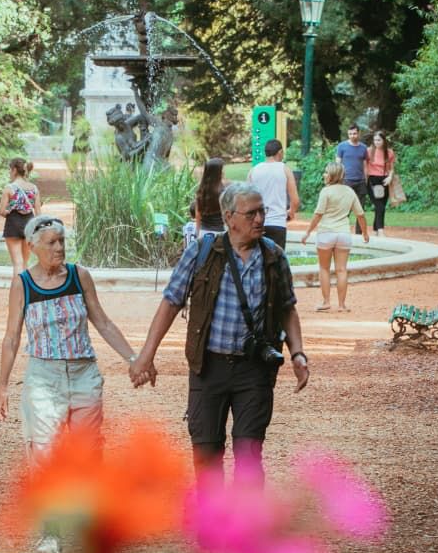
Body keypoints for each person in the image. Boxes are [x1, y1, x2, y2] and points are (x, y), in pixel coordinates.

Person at [131, 182, 310, 484]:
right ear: (229, 217)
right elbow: (171, 302)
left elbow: (287, 308)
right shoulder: (202, 252)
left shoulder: (274, 256)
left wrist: (298, 354)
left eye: (262, 211)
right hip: (208, 367)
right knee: (206, 453)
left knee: (249, 452)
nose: (260, 219)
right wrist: (146, 356)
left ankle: (245, 515)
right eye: (251, 213)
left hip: (254, 370)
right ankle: (212, 515)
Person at [0, 214, 139, 553]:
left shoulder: (78, 276)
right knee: (44, 452)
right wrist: (2, 387)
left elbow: (102, 322)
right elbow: (12, 338)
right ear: (33, 247)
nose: (59, 248)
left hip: (83, 372)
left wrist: (134, 359)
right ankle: (51, 532)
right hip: (43, 376)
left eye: (61, 241)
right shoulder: (23, 284)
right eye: (52, 243)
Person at [300, 162, 370, 313]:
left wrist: (307, 232)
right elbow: (360, 214)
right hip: (343, 234)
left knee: (324, 268)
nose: (324, 174)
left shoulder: (326, 192)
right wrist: (365, 232)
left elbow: (318, 214)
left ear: (332, 175)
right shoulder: (350, 192)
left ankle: (326, 302)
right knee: (342, 270)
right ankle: (342, 305)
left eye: (326, 172)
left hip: (326, 233)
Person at [247, 138, 300, 248]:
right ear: (280, 152)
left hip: (257, 222)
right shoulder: (285, 169)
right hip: (277, 223)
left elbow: (246, 198)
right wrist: (291, 212)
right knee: (276, 257)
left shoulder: (253, 170)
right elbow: (295, 200)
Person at [0, 157, 40, 275]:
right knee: (25, 262)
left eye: (10, 169)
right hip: (29, 224)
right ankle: (26, 286)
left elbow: (1, 211)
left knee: (17, 263)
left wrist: (9, 212)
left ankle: (17, 286)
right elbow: (38, 213)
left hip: (13, 224)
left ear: (15, 170)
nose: (9, 172)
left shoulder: (9, 188)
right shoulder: (34, 189)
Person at [334, 124, 368, 235]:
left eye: (354, 133)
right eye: (350, 134)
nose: (352, 136)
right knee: (345, 208)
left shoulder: (363, 148)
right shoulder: (342, 146)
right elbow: (337, 164)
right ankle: (342, 231)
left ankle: (359, 233)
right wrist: (337, 179)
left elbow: (365, 165)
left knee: (360, 209)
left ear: (359, 133)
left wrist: (366, 179)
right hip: (346, 181)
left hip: (360, 181)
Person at [364, 130, 397, 237]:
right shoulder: (368, 151)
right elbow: (364, 166)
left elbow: (391, 168)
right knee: (379, 206)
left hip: (385, 181)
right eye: (375, 140)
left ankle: (375, 231)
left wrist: (390, 177)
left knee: (381, 206)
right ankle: (381, 230)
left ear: (384, 140)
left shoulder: (389, 152)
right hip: (372, 180)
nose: (376, 142)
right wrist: (364, 180)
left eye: (379, 140)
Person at [193, 157, 227, 244]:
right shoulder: (223, 191)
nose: (224, 172)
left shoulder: (201, 190)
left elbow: (198, 215)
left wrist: (197, 233)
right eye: (222, 170)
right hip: (220, 235)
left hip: (203, 233)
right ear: (217, 172)